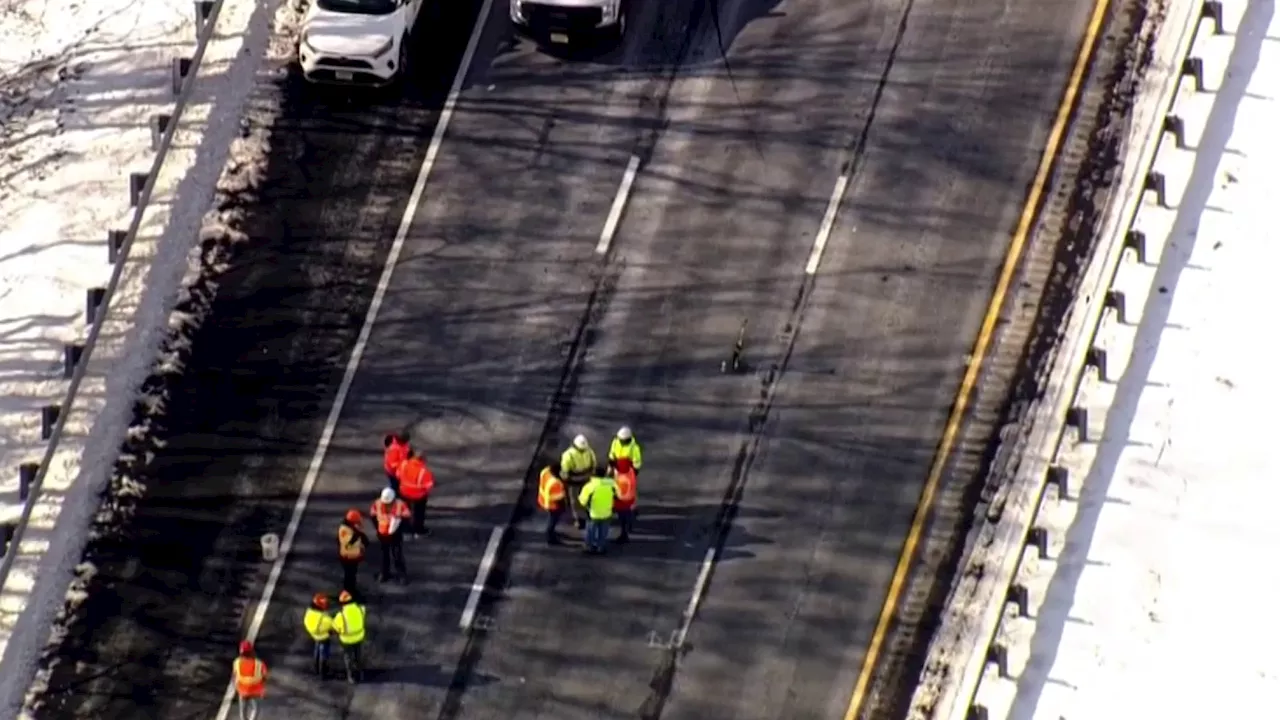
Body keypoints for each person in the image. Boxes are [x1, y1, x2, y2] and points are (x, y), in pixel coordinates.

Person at [370, 487, 410, 583]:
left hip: (395, 535)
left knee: (397, 555)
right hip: (383, 534)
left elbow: (406, 518)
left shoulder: (400, 505)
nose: (387, 505)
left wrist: (398, 530)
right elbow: (373, 516)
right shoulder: (377, 504)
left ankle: (401, 575)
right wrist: (378, 528)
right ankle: (384, 573)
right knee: (384, 555)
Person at [559, 434, 597, 530]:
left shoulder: (588, 451)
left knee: (582, 500)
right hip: (577, 481)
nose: (583, 450)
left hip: (581, 480)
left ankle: (585, 517)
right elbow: (565, 470)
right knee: (576, 502)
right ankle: (580, 519)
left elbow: (594, 463)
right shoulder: (568, 455)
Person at [395, 450, 435, 538]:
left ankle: (406, 530)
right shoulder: (424, 472)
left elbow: (398, 475)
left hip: (404, 492)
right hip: (418, 496)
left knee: (405, 512)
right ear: (422, 459)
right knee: (419, 514)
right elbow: (429, 486)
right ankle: (418, 530)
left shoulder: (404, 465)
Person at [330, 590, 366, 684]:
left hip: (347, 640)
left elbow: (335, 628)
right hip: (359, 637)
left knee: (348, 657)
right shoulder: (360, 609)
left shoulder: (341, 616)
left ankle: (351, 676)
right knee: (358, 655)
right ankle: (360, 673)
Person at [577, 471, 617, 554]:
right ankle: (601, 547)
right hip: (607, 512)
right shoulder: (611, 484)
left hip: (593, 513)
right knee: (603, 531)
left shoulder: (590, 486)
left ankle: (589, 547)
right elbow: (618, 494)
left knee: (591, 531)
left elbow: (582, 501)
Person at [231, 640, 268, 720]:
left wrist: (236, 687)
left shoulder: (237, 662)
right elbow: (264, 676)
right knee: (255, 709)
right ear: (251, 651)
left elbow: (235, 675)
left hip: (242, 690)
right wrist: (263, 688)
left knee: (243, 710)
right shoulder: (259, 663)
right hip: (255, 690)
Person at [303, 593, 334, 677]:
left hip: (314, 635)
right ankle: (323, 671)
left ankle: (316, 667)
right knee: (324, 654)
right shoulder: (324, 618)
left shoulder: (309, 613)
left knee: (316, 651)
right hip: (324, 636)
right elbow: (332, 625)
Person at [337, 509, 369, 593]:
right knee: (349, 576)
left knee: (352, 575)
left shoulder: (352, 528)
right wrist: (358, 533)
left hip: (354, 557)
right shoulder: (344, 530)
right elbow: (349, 543)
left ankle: (352, 590)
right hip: (347, 557)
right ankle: (348, 591)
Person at [536, 461, 567, 545]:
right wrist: (564, 507)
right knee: (553, 520)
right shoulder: (556, 483)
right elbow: (559, 499)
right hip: (553, 505)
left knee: (551, 519)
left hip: (543, 499)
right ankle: (550, 537)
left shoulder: (545, 471)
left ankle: (551, 533)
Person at [612, 465, 638, 543]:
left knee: (622, 518)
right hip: (630, 500)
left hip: (621, 502)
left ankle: (624, 534)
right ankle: (628, 529)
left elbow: (616, 490)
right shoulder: (631, 474)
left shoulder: (620, 478)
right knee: (628, 515)